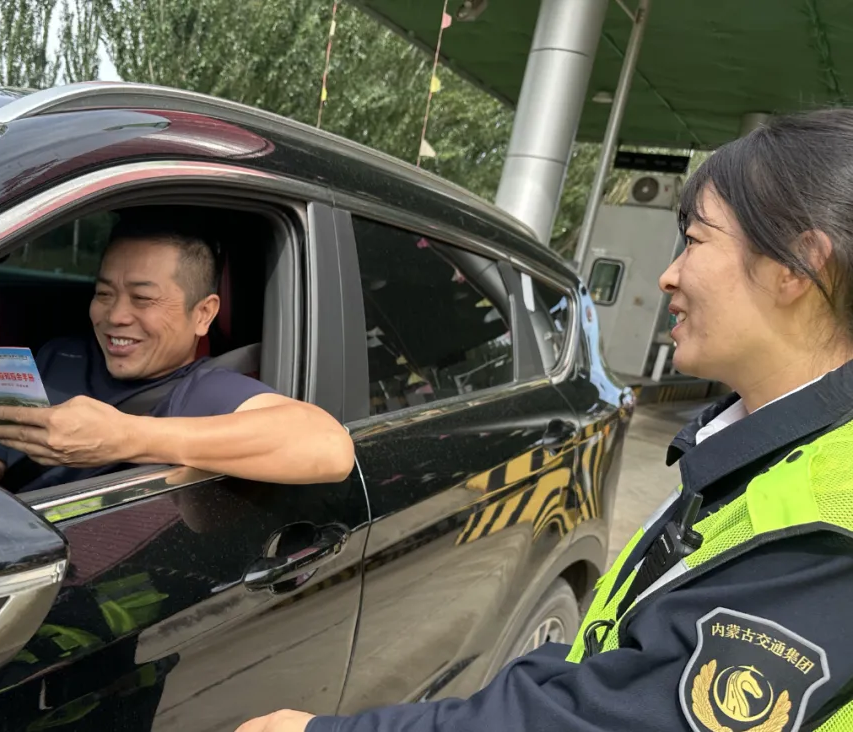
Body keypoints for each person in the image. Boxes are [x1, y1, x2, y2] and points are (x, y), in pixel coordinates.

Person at [236, 110, 853, 732]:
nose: (669, 276)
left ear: (797, 266)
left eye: (694, 241)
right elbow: (610, 666)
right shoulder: (766, 452)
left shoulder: (825, 525)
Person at [0, 211, 354, 490]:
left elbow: (329, 447)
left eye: (143, 298)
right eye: (104, 293)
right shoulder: (57, 357)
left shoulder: (206, 392)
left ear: (203, 314)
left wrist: (125, 437)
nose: (116, 315)